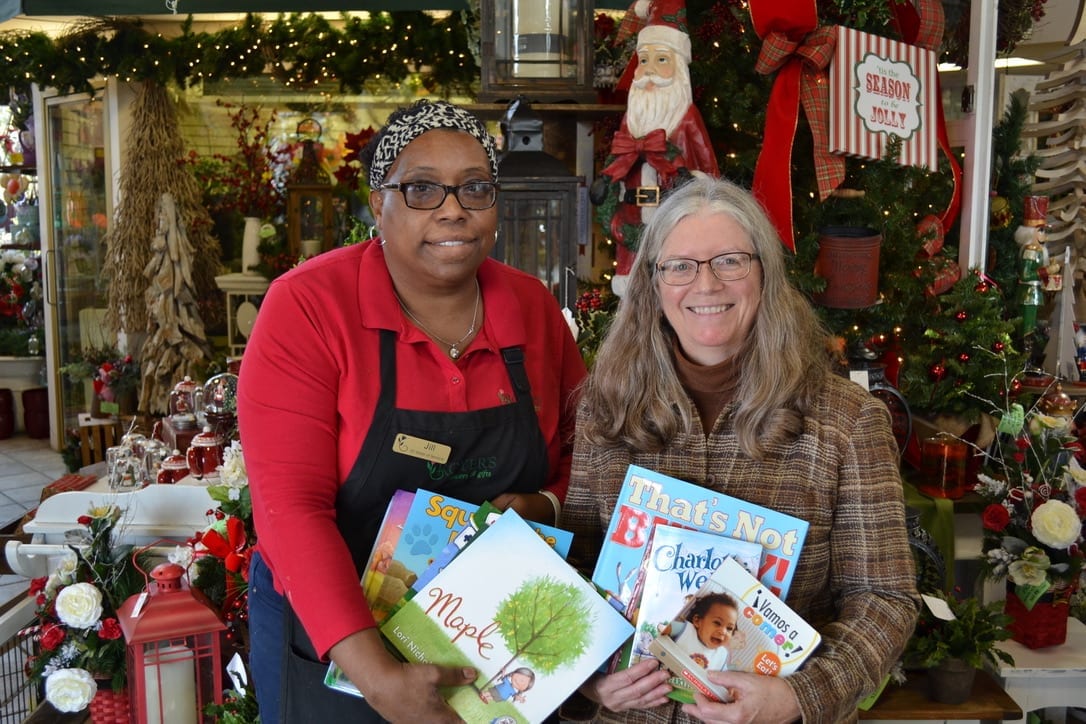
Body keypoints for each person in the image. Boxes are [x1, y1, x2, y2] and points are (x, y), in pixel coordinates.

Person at [237, 99, 587, 723]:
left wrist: (544, 505)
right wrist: (379, 678)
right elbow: (290, 509)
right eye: (422, 189)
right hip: (337, 638)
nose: (453, 208)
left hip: (491, 639)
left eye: (475, 188)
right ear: (378, 203)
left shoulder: (530, 308)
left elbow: (585, 459)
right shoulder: (309, 307)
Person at [562, 175, 919, 723]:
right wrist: (591, 679)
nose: (705, 284)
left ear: (765, 275)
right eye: (680, 266)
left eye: (729, 260)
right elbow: (581, 571)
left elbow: (885, 600)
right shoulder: (605, 410)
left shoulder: (847, 422)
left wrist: (802, 695)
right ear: (653, 286)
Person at [591, 0, 718, 296]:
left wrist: (693, 182)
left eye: (661, 60)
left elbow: (709, 171)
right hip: (632, 216)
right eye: (643, 61)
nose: (648, 71)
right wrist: (608, 183)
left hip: (674, 218)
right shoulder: (632, 118)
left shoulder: (687, 118)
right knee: (633, 290)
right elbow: (618, 160)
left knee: (673, 285)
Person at [659, 592, 739, 671]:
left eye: (729, 628)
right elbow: (663, 627)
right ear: (697, 621)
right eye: (717, 623)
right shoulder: (685, 630)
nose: (723, 632)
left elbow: (723, 679)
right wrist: (662, 628)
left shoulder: (721, 655)